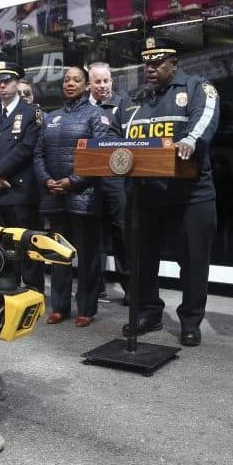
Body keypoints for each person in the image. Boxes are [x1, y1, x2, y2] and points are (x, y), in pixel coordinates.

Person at [117, 37, 220, 347]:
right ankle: (148, 311)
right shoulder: (134, 99)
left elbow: (206, 116)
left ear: (174, 63)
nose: (150, 68)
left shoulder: (195, 88)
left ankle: (190, 320)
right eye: (146, 63)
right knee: (143, 259)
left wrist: (190, 139)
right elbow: (111, 132)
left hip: (189, 193)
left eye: (157, 62)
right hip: (145, 195)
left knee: (193, 260)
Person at [34, 66, 112, 327]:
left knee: (88, 256)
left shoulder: (96, 116)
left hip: (84, 198)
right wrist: (47, 180)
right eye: (66, 80)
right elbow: (38, 155)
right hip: (54, 197)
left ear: (87, 85)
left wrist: (72, 182)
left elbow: (100, 156)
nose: (70, 84)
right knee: (58, 255)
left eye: (76, 80)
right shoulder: (50, 118)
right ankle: (59, 307)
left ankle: (86, 309)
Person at [0, 61, 44, 293]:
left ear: (17, 83)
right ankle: (9, 287)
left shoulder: (31, 112)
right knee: (2, 243)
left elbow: (26, 147)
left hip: (20, 190)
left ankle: (33, 289)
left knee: (26, 244)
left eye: (8, 81)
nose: (2, 85)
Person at [88, 61, 130, 304]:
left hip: (116, 180)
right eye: (98, 81)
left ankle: (130, 289)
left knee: (122, 233)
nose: (103, 86)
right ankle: (95, 288)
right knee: (93, 236)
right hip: (90, 180)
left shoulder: (123, 105)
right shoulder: (82, 107)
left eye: (106, 81)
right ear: (89, 84)